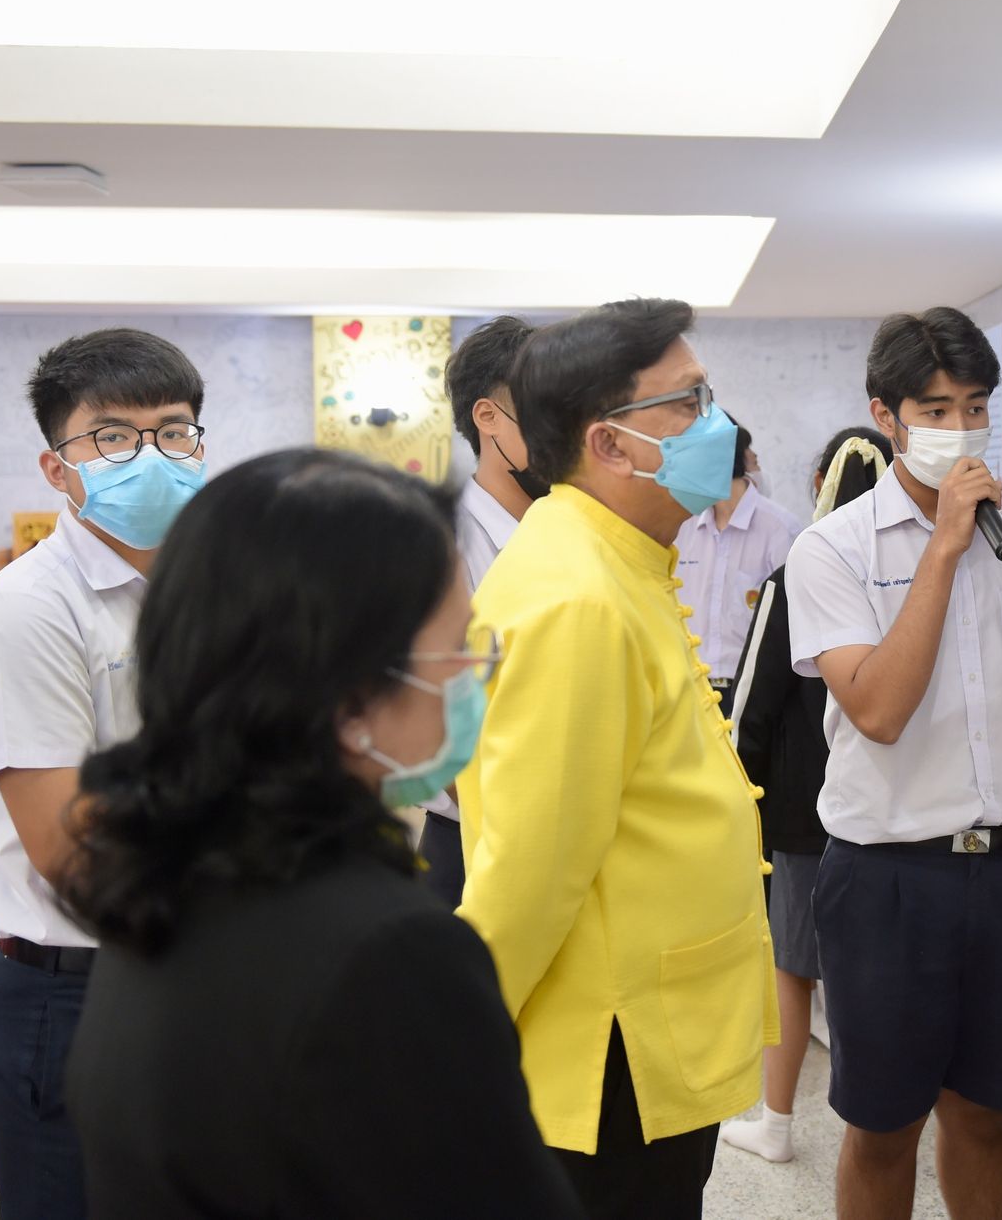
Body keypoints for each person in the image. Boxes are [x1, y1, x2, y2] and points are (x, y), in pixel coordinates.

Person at [59, 450, 581, 1219]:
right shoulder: (391, 951)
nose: (477, 674)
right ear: (350, 698)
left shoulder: (156, 876)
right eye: (458, 647)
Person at [785, 306, 1002, 1220]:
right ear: (885, 416)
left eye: (975, 407)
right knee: (882, 1131)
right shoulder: (831, 550)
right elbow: (879, 710)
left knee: (986, 1119)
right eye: (935, 410)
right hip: (886, 880)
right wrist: (943, 547)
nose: (960, 430)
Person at [458, 297, 777, 1220]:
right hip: (610, 1055)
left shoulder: (617, 557)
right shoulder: (579, 598)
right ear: (609, 443)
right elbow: (531, 871)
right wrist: (450, 1047)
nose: (718, 422)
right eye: (688, 402)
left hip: (646, 1033)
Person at [0, 327, 208, 1220]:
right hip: (76, 994)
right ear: (57, 468)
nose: (150, 455)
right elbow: (71, 851)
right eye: (112, 436)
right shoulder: (28, 609)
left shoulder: (211, 588)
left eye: (173, 431)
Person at [720, 426, 891, 1167]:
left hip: (800, 812)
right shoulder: (913, 577)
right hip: (889, 813)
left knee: (792, 969)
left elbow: (752, 705)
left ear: (820, 481)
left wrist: (738, 799)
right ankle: (876, 1125)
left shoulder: (798, 575)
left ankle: (778, 1125)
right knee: (873, 973)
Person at [423, 315, 543, 908]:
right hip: (471, 839)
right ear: (487, 417)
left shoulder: (575, 533)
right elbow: (429, 714)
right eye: (545, 411)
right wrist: (505, 820)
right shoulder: (439, 544)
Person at [675, 421, 803, 719]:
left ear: (715, 461)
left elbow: (795, 621)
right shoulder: (683, 527)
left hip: (753, 691)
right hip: (690, 687)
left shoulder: (780, 529)